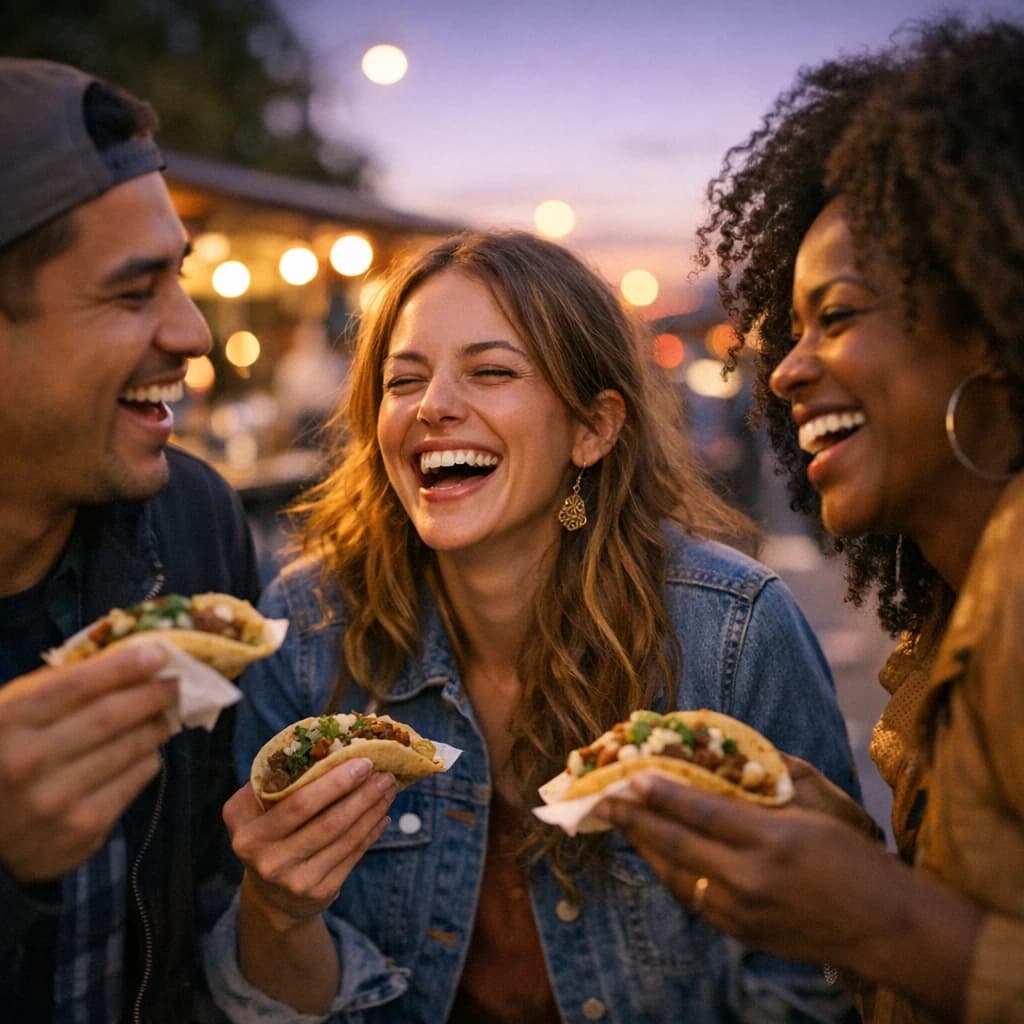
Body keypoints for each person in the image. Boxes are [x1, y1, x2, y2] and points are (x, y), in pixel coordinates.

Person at [205, 228, 863, 1022]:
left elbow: (818, 984)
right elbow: (264, 1003)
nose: (433, 407)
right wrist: (277, 909)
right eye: (402, 381)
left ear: (593, 428)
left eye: (491, 372)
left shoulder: (735, 632)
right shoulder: (306, 627)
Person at [603, 15, 1024, 1024]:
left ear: (987, 312)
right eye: (786, 331)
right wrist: (849, 869)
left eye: (834, 317)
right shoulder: (955, 610)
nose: (784, 370)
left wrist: (881, 917)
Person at [0, 59, 260, 1020]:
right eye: (131, 291)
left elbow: (209, 895)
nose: (193, 333)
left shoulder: (197, 524)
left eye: (179, 278)